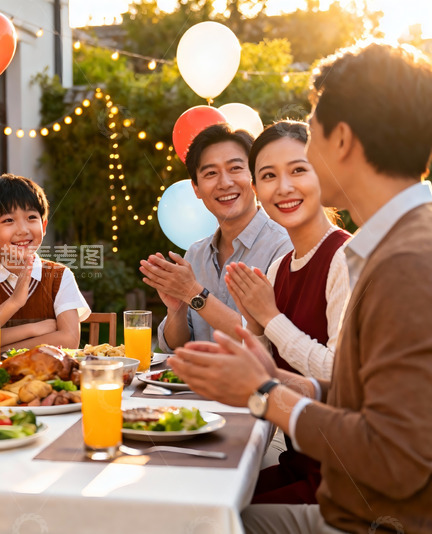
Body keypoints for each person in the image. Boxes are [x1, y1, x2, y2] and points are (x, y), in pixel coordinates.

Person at [169, 42, 432, 533]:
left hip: (373, 517)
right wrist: (276, 380)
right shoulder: (396, 243)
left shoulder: (407, 261)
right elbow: (366, 398)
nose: (300, 161)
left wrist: (265, 392)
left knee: (189, 520)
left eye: (312, 132)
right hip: (349, 494)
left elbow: (396, 458)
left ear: (344, 141)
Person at [226, 121, 351, 506]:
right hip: (297, 461)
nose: (283, 187)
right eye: (268, 176)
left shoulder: (346, 258)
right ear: (257, 191)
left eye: (298, 169)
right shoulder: (281, 266)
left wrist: (272, 318)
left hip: (340, 479)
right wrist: (255, 324)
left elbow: (340, 378)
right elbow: (267, 367)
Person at [140, 124, 291, 350]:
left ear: (255, 176)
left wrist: (194, 293)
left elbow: (272, 342)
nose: (225, 183)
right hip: (195, 385)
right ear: (196, 189)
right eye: (210, 173)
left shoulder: (284, 247)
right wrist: (177, 308)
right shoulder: (196, 254)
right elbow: (174, 346)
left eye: (235, 168)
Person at [0, 174, 90, 351]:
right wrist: (18, 308)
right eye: (8, 220)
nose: (23, 230)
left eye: (31, 217)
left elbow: (68, 340)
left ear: (44, 225)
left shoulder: (59, 276)